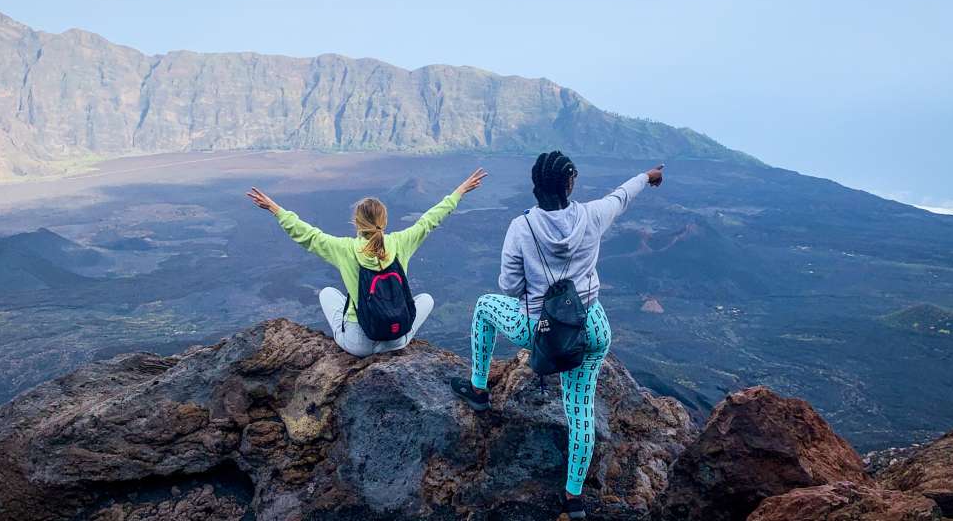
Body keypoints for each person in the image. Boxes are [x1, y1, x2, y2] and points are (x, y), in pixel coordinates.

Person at [450, 151, 663, 519]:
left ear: (536, 186)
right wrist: (647, 176)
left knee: (485, 306)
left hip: (541, 330)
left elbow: (510, 286)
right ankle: (574, 498)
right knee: (580, 411)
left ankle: (479, 389)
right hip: (591, 328)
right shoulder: (593, 215)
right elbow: (622, 196)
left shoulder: (522, 227)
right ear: (569, 184)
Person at [246, 168, 487, 357]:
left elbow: (308, 235)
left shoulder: (345, 249)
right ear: (385, 220)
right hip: (396, 340)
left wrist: (275, 209)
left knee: (328, 293)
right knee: (427, 300)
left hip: (358, 344)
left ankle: (352, 335)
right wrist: (460, 191)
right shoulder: (400, 242)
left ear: (356, 223)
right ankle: (392, 341)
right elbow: (429, 220)